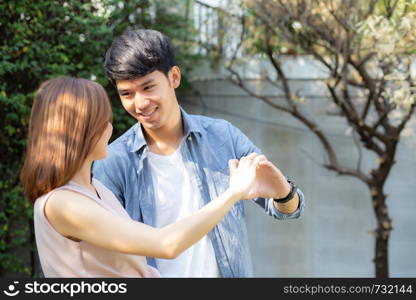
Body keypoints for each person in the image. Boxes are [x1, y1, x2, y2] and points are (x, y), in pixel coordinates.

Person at [94, 29, 306, 278]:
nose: (140, 103)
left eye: (148, 87)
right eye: (127, 94)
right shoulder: (113, 161)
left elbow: (290, 209)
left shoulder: (223, 137)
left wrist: (283, 193)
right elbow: (105, 252)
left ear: (174, 77)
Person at [20, 77, 262, 278]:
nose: (110, 128)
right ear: (81, 129)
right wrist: (233, 193)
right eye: (102, 120)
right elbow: (165, 244)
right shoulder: (63, 204)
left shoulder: (97, 189)